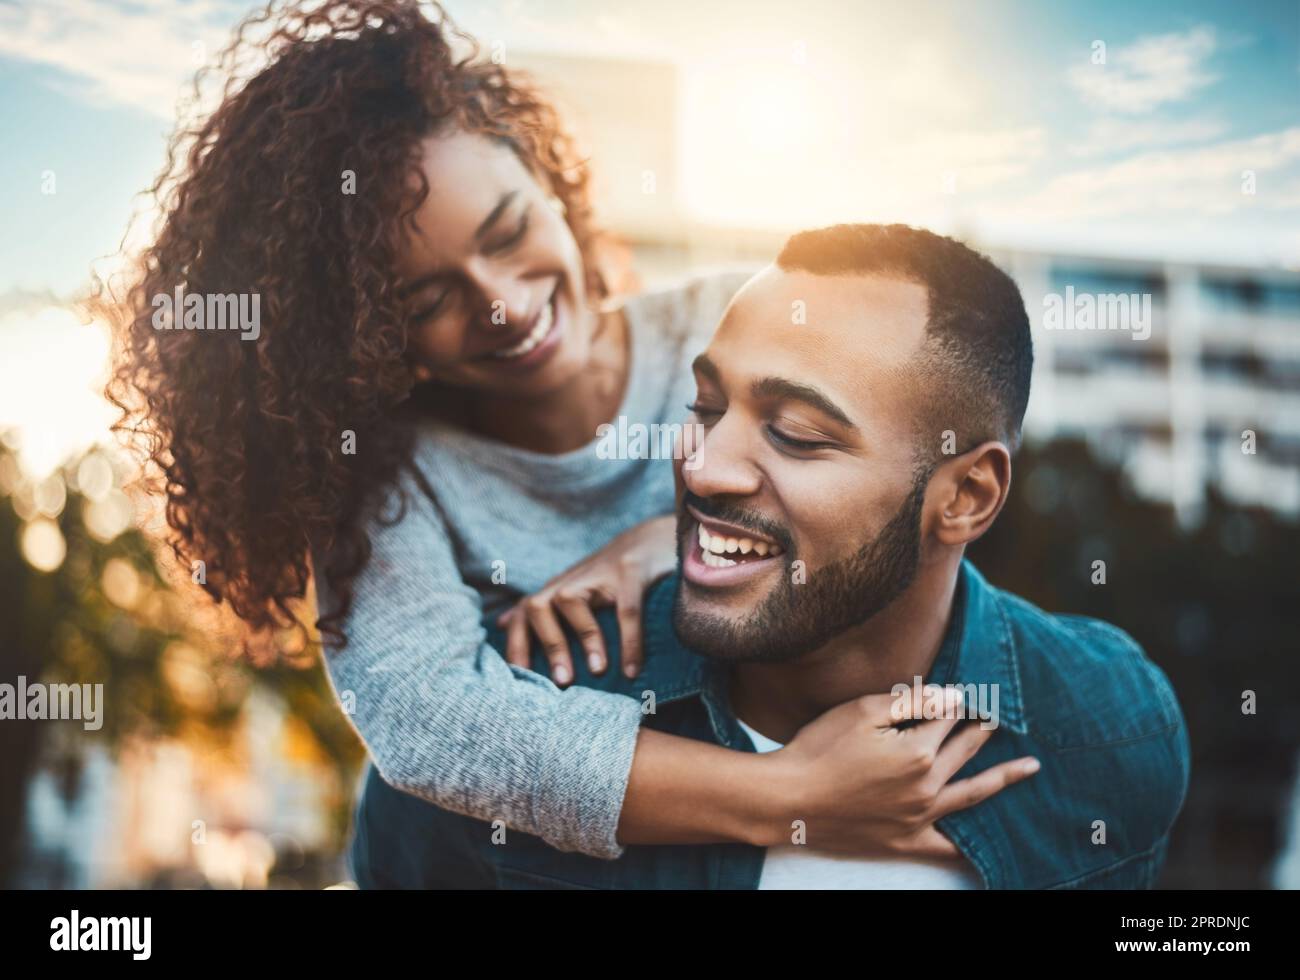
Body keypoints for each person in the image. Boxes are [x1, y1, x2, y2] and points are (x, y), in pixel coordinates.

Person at [104, 1, 1037, 864]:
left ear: (553, 185)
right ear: (366, 334)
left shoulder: (734, 322)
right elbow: (424, 721)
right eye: (426, 299)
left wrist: (656, 545)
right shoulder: (390, 476)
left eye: (509, 233)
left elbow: (906, 492)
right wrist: (786, 795)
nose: (505, 307)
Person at [352, 224, 1191, 888]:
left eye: (795, 435)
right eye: (704, 406)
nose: (700, 467)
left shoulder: (1114, 728)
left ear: (966, 497)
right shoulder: (505, 747)